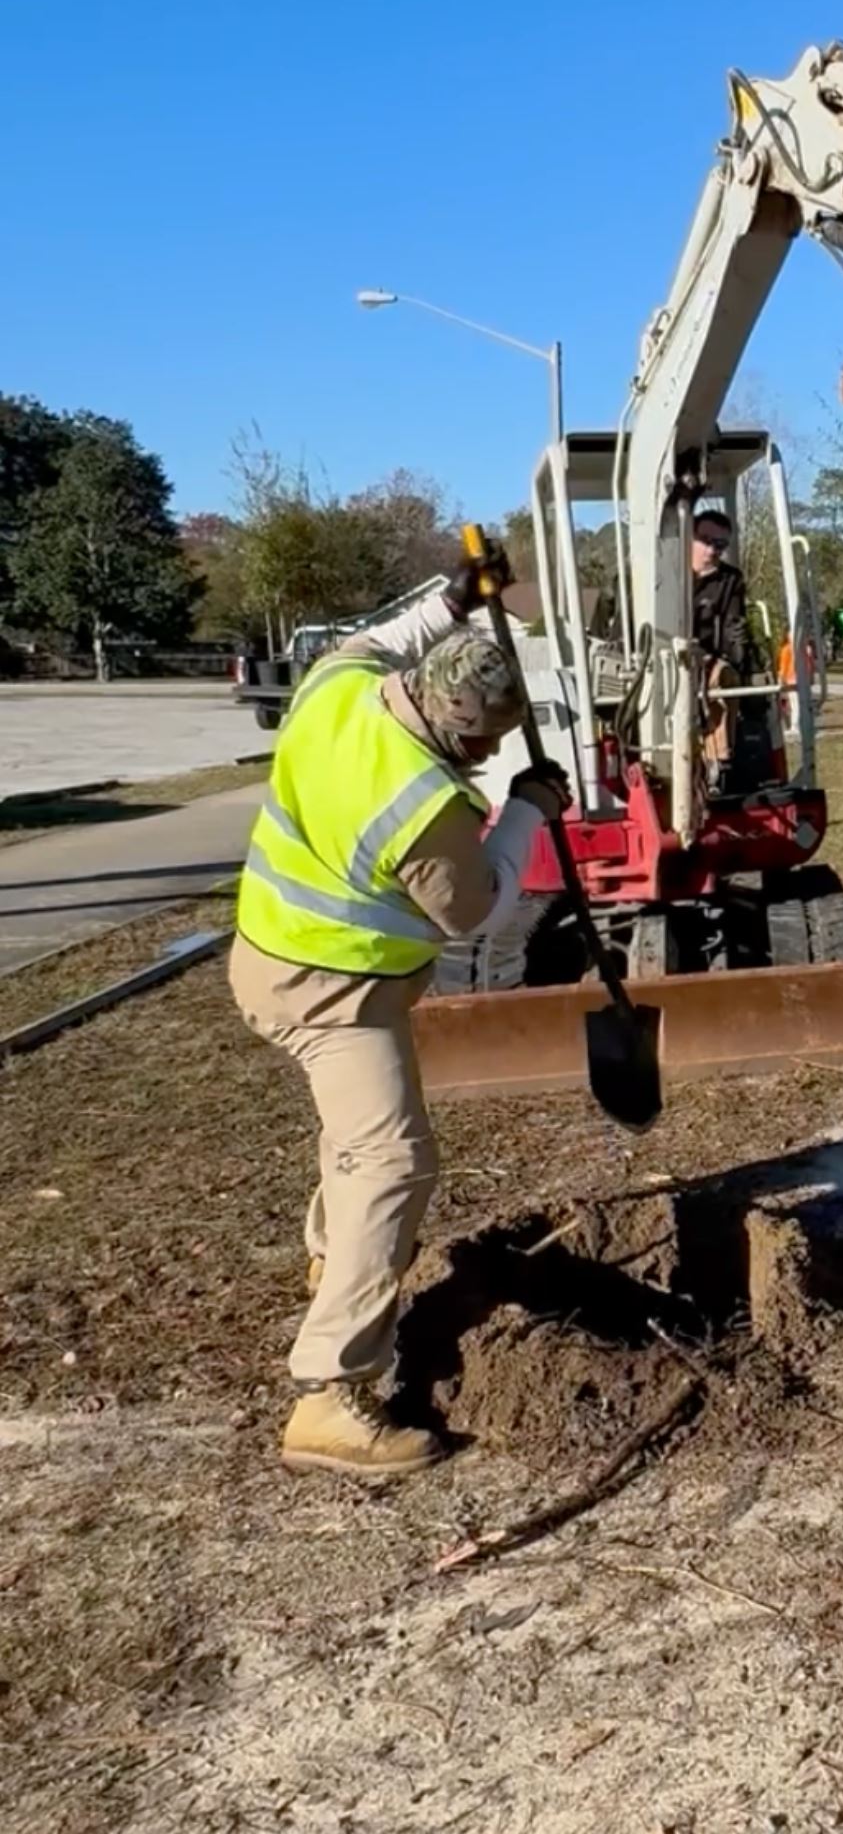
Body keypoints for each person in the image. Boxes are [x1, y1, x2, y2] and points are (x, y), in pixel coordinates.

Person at [230, 546, 572, 1479]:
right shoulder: (422, 807)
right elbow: (478, 907)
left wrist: (454, 599)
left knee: (359, 1138)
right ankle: (328, 1397)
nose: (490, 757)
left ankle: (330, 1258)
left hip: (268, 957)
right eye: (487, 747)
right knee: (390, 1159)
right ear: (463, 735)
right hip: (330, 993)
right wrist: (530, 810)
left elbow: (383, 636)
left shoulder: (342, 686)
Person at [690, 505, 753, 678]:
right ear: (691, 536)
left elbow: (732, 627)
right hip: (661, 661)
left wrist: (735, 650)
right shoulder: (666, 574)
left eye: (719, 545)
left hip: (708, 666)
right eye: (705, 540)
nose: (711, 551)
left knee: (725, 678)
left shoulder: (731, 579)